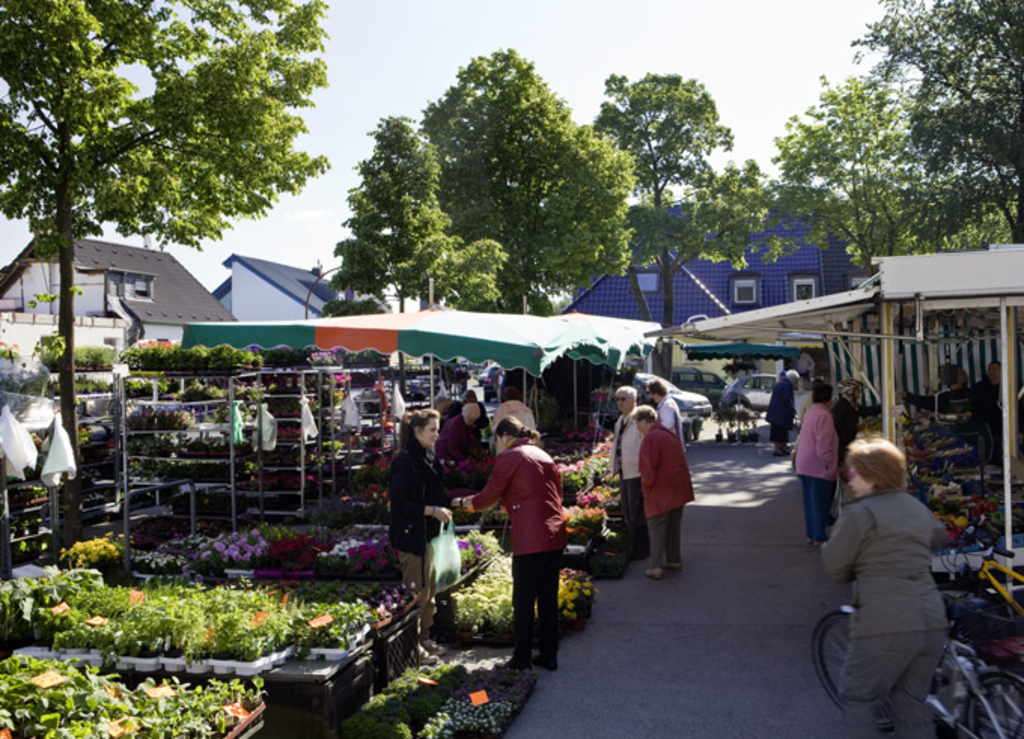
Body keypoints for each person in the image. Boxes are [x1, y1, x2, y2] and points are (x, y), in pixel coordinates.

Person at [821, 437, 948, 738]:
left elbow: (835, 565)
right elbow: (938, 536)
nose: (850, 481)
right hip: (930, 619)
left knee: (859, 696)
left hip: (885, 621)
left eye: (852, 474)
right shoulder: (914, 506)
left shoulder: (860, 514)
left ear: (869, 475)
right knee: (912, 702)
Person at [452, 417, 566, 671]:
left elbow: (486, 498)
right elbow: (555, 491)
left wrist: (460, 503)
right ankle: (549, 655)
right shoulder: (541, 454)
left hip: (531, 538)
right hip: (554, 533)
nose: (495, 444)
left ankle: (521, 658)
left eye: (495, 438)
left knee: (523, 600)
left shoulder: (509, 457)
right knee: (548, 599)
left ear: (504, 436)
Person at [388, 409, 452, 666]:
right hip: (411, 536)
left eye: (438, 429)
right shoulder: (404, 462)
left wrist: (452, 503)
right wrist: (432, 511)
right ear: (417, 431)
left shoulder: (428, 457)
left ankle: (424, 638)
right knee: (417, 593)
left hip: (430, 534)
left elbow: (437, 492)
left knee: (430, 592)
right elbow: (400, 504)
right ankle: (413, 647)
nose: (437, 435)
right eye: (432, 430)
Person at [634, 404, 694, 580]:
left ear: (645, 421)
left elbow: (648, 470)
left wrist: (645, 488)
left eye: (638, 423)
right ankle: (673, 560)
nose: (637, 428)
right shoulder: (669, 434)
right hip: (678, 488)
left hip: (661, 490)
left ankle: (656, 566)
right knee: (673, 526)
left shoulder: (651, 439)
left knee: (657, 528)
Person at [794, 382, 838, 547]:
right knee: (820, 503)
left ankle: (811, 535)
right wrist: (829, 463)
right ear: (829, 399)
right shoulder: (825, 416)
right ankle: (819, 537)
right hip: (818, 466)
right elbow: (823, 447)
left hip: (804, 463)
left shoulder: (812, 412)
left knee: (810, 503)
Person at [610, 386, 648, 560]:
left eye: (623, 399)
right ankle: (633, 545)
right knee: (627, 510)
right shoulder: (621, 419)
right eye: (617, 399)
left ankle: (642, 548)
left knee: (637, 511)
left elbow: (646, 448)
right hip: (624, 470)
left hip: (636, 471)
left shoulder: (639, 420)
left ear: (633, 400)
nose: (619, 402)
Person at [832, 379, 882, 466]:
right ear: (850, 392)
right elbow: (837, 425)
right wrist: (855, 427)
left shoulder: (851, 404)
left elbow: (865, 411)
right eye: (857, 390)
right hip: (842, 446)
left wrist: (884, 406)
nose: (860, 392)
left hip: (849, 442)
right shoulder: (841, 405)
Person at [970, 361, 1003, 466]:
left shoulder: (1009, 387)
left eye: (994, 369)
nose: (991, 372)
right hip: (985, 428)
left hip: (1003, 428)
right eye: (989, 369)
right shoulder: (978, 388)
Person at [646, 378, 686, 449]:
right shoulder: (665, 403)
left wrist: (654, 431)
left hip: (671, 445)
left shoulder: (666, 405)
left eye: (651, 394)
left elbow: (669, 423)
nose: (652, 397)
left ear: (656, 394)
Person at [766, 370, 798, 456]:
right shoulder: (788, 385)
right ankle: (777, 449)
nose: (796, 383)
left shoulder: (780, 383)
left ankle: (783, 447)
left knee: (781, 430)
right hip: (781, 413)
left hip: (775, 412)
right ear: (792, 379)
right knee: (780, 431)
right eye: (796, 380)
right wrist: (792, 410)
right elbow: (787, 398)